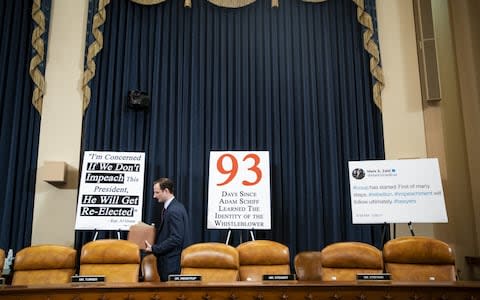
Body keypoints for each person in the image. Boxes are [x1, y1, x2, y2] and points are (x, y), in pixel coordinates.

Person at [145, 177, 191, 281]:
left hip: (171, 264)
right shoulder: (175, 207)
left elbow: (176, 238)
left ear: (166, 191)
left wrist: (154, 248)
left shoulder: (174, 210)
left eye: (157, 192)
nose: (154, 196)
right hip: (169, 262)